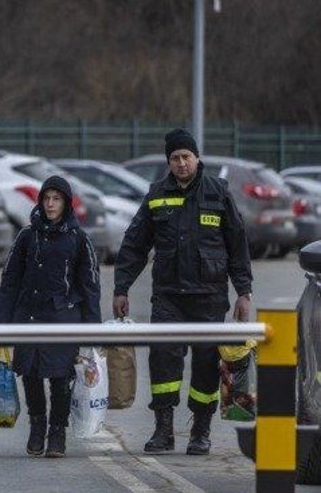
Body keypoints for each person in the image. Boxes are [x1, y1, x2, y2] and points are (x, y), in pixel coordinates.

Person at [113, 128, 253, 456]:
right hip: (168, 296)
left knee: (206, 364)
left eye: (186, 157)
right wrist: (122, 287)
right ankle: (163, 431)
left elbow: (238, 244)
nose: (181, 163)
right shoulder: (157, 194)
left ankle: (200, 431)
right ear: (169, 162)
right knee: (163, 361)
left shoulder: (217, 193)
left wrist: (244, 291)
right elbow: (135, 243)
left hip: (209, 296)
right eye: (175, 158)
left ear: (196, 157)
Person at [0, 175, 101, 458]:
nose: (51, 204)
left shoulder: (79, 239)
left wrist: (94, 331)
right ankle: (37, 426)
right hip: (28, 315)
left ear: (66, 203)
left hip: (63, 317)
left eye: (57, 199)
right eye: (46, 198)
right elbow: (10, 281)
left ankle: (57, 431)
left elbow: (90, 286)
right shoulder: (27, 236)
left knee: (59, 378)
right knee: (29, 374)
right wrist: (2, 325)